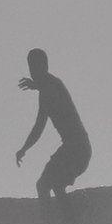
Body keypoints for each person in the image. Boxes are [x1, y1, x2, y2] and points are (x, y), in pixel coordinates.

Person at [14, 47, 92, 198]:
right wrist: (36, 86)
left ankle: (55, 221)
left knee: (43, 185)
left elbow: (39, 126)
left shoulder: (51, 87)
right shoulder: (47, 89)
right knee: (55, 185)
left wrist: (24, 148)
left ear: (44, 66)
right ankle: (67, 220)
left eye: (35, 67)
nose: (32, 72)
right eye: (30, 68)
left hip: (76, 149)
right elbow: (40, 123)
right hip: (77, 149)